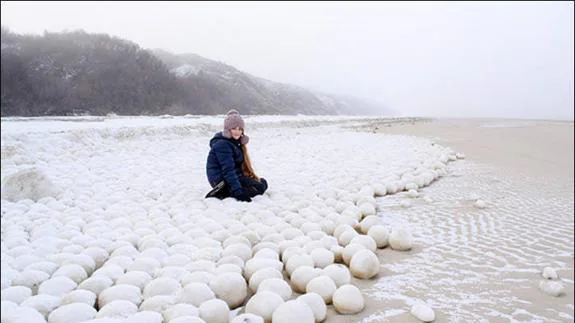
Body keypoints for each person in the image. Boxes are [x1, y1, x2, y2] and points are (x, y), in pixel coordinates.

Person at [205, 109, 268, 202]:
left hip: (234, 176)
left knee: (261, 185)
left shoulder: (235, 143)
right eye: (234, 128)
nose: (237, 132)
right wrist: (238, 191)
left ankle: (232, 190)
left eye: (240, 129)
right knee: (257, 189)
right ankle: (222, 192)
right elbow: (228, 170)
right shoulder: (223, 145)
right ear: (227, 130)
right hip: (221, 181)